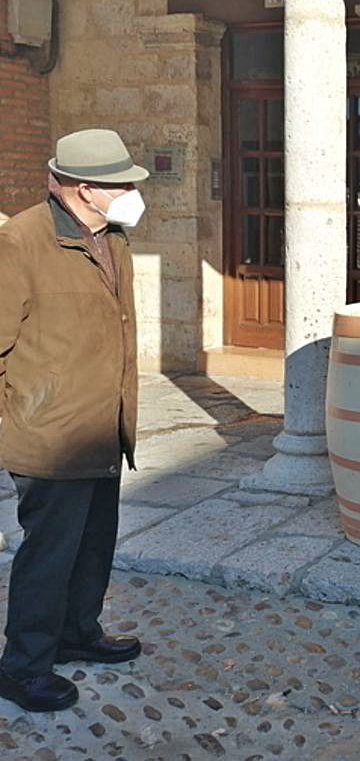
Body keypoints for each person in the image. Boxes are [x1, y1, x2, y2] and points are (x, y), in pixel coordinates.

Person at [0, 129, 149, 713]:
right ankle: (23, 668)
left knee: (94, 544)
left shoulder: (112, 237)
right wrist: (20, 414)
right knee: (49, 553)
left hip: (102, 427)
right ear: (85, 188)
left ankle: (77, 633)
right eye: (122, 184)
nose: (134, 192)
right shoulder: (21, 240)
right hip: (50, 437)